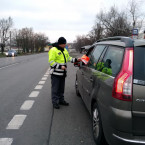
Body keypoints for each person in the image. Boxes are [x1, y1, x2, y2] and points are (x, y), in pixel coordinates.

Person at [48, 37, 78, 109]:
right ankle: (55, 102)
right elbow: (51, 62)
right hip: (55, 73)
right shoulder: (53, 50)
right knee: (55, 89)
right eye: (64, 44)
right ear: (60, 44)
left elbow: (68, 58)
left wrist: (76, 59)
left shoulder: (64, 50)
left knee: (61, 88)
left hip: (62, 73)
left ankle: (61, 100)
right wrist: (60, 67)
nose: (65, 45)